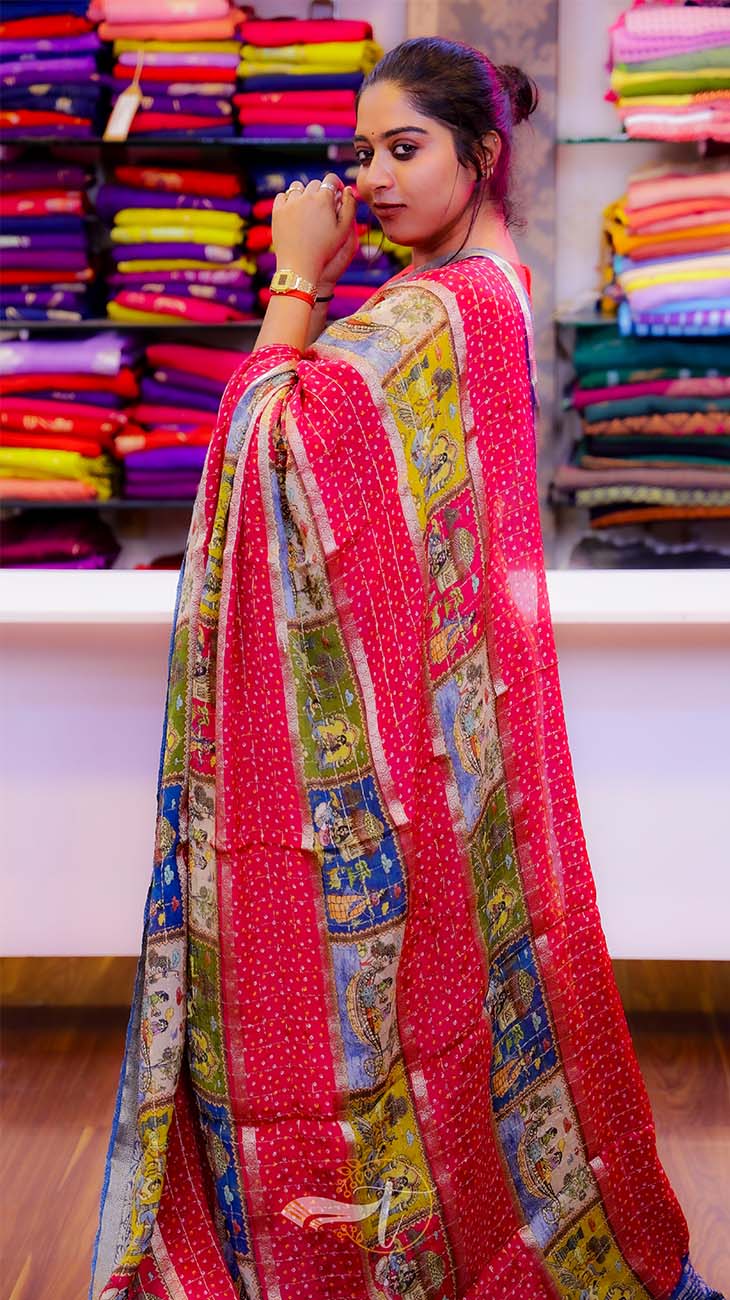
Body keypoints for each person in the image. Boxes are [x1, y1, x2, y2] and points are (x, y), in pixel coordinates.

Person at [89, 37, 724, 1300]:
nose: (372, 176)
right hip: (443, 744)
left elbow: (269, 444)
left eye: (405, 147)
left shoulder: (430, 311)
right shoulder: (491, 285)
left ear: (480, 155)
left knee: (395, 1026)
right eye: (364, 149)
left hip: (401, 760)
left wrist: (291, 276)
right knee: (472, 1015)